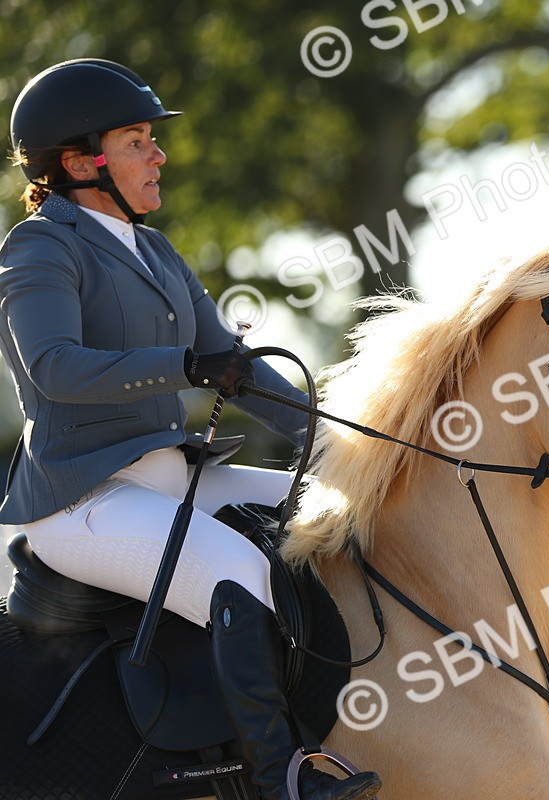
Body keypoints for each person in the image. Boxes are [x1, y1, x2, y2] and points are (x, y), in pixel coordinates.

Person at [2, 59, 382, 800]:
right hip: (81, 499)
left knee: (356, 510)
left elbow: (237, 368)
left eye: (152, 138)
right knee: (235, 573)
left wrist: (350, 444)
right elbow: (53, 367)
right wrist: (186, 365)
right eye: (139, 139)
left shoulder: (158, 250)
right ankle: (282, 778)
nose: (159, 154)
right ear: (83, 162)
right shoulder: (40, 247)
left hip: (175, 477)